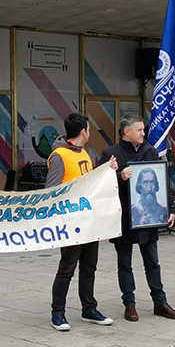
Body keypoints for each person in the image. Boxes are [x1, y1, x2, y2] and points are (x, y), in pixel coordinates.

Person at [99, 114, 175, 322]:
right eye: (140, 130)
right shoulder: (110, 154)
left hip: (149, 219)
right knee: (124, 263)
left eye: (143, 130)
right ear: (127, 132)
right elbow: (99, 186)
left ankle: (160, 302)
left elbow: (163, 181)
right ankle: (129, 304)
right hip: (124, 218)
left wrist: (171, 208)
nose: (144, 133)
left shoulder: (150, 151)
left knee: (152, 261)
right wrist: (119, 177)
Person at [47, 113, 118, 331]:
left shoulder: (84, 154)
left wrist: (106, 171)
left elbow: (88, 182)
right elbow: (51, 191)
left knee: (89, 267)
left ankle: (89, 308)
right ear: (83, 132)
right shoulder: (59, 156)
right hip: (70, 223)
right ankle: (57, 312)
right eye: (88, 129)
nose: (89, 132)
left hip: (89, 222)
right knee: (67, 268)